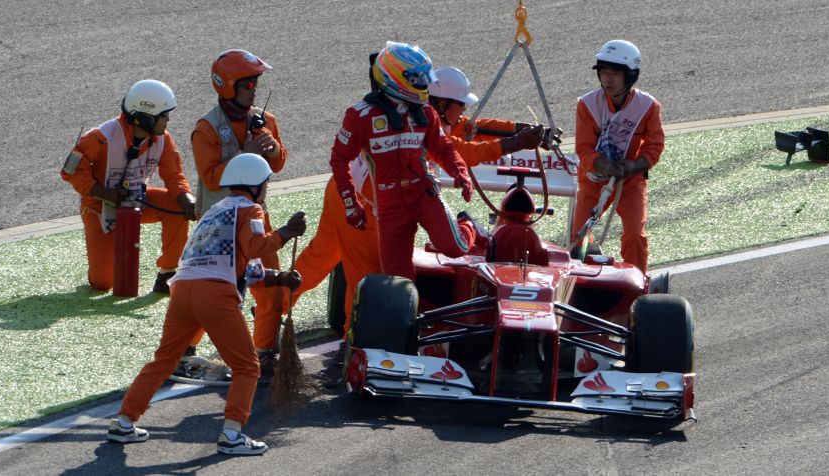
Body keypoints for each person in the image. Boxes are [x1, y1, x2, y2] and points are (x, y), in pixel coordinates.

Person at [285, 65, 551, 348]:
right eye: (460, 106)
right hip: (369, 206)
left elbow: (473, 126)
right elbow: (467, 151)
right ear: (440, 102)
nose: (463, 114)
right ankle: (357, 345)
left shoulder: (418, 111)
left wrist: (516, 130)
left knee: (317, 260)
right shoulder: (422, 119)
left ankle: (272, 308)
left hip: (345, 193)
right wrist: (517, 142)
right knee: (371, 280)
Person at [106, 153, 305, 455]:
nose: (267, 188)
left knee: (164, 361)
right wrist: (286, 234)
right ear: (256, 185)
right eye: (266, 182)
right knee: (247, 367)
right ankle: (233, 434)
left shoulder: (216, 210)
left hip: (183, 291)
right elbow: (253, 247)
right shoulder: (251, 209)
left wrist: (278, 277)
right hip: (214, 294)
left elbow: (231, 261)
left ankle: (123, 422)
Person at [329, 42, 478, 282]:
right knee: (397, 278)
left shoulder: (425, 111)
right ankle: (409, 318)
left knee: (455, 248)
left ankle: (469, 225)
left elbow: (443, 148)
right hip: (389, 206)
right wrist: (350, 202)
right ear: (395, 77)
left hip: (423, 192)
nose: (425, 85)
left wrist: (460, 171)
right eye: (418, 79)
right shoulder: (359, 115)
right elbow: (339, 159)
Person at [190, 50, 288, 374]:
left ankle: (264, 352)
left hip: (256, 219)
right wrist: (243, 155)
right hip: (219, 226)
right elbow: (210, 178)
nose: (254, 89)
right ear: (228, 86)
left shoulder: (265, 120)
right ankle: (185, 349)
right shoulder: (205, 129)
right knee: (217, 293)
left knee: (271, 290)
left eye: (256, 82)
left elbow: (279, 162)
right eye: (247, 83)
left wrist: (273, 148)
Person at [61, 80, 197, 293]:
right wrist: (103, 193)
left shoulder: (163, 139)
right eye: (164, 115)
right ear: (145, 117)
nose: (168, 120)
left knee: (177, 206)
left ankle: (168, 273)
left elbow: (174, 175)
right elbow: (70, 171)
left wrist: (186, 198)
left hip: (137, 202)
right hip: (99, 207)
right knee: (103, 284)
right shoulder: (100, 137)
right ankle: (98, 270)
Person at [570, 40, 664, 273]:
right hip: (593, 180)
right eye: (603, 73)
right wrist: (603, 166)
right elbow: (584, 149)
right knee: (578, 236)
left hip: (631, 181)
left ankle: (637, 283)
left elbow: (654, 148)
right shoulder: (586, 104)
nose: (607, 79)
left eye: (614, 74)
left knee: (635, 233)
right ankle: (580, 279)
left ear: (630, 76)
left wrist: (633, 167)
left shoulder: (649, 106)